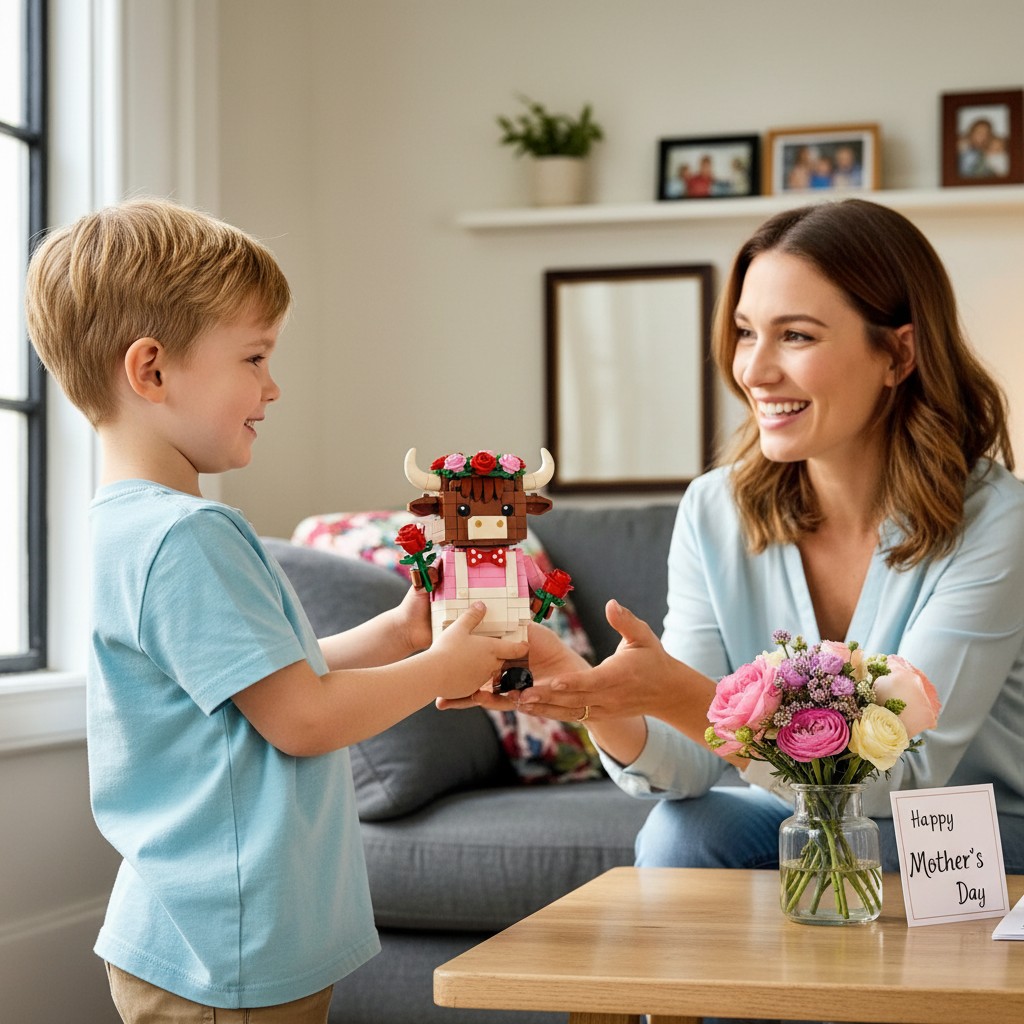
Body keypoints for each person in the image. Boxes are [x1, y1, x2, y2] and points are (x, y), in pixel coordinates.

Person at [24, 198, 525, 1022]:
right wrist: (440, 668)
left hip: (217, 936)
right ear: (150, 370)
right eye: (254, 357)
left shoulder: (140, 524)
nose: (273, 385)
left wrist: (400, 634)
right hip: (227, 947)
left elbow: (271, 677)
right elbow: (301, 719)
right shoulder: (187, 536)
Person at [457, 198, 1024, 879]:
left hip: (965, 834)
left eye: (798, 336)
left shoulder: (997, 520)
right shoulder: (714, 510)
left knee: (826, 842)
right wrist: (599, 700)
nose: (753, 370)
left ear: (898, 353)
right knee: (683, 833)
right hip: (812, 817)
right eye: (747, 332)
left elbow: (901, 778)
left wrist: (677, 693)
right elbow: (689, 764)